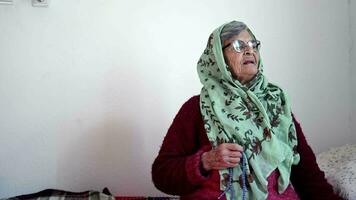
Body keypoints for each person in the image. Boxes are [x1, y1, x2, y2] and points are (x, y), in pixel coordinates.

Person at [152, 21, 343, 200]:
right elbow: (161, 175)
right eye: (238, 46)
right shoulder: (196, 108)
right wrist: (205, 161)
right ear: (218, 57)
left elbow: (307, 174)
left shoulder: (276, 104)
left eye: (253, 45)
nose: (249, 50)